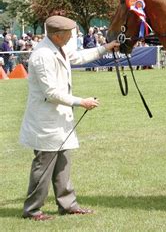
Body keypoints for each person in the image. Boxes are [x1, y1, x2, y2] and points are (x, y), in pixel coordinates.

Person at [19, 16, 119, 221]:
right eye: (69, 33)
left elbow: (79, 57)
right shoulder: (43, 55)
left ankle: (68, 205)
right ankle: (33, 210)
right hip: (45, 120)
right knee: (44, 165)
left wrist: (106, 47)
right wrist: (81, 101)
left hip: (59, 119)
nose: (72, 36)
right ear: (57, 35)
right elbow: (51, 92)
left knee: (63, 163)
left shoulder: (58, 48)